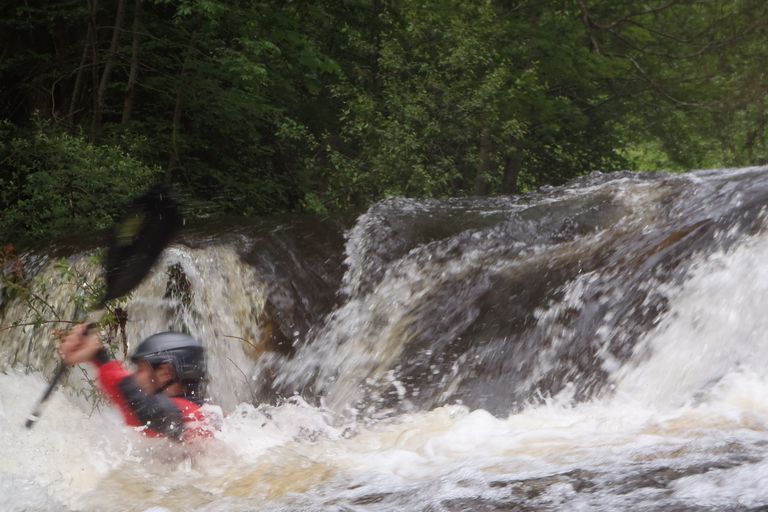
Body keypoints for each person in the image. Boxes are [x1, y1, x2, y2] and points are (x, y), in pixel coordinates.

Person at [60, 324, 215, 442]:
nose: (135, 376)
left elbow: (146, 409)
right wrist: (98, 358)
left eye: (141, 369)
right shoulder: (202, 415)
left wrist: (98, 355)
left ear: (165, 373)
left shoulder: (191, 414)